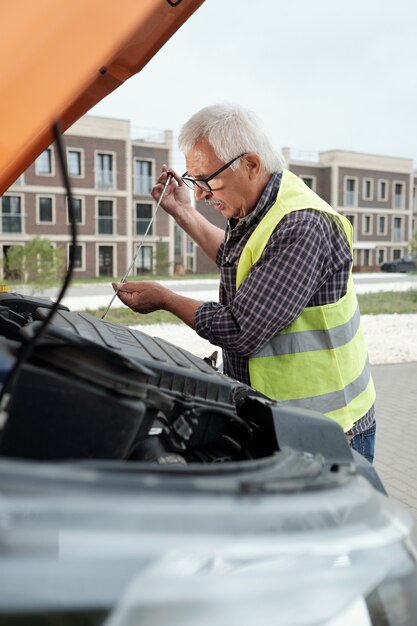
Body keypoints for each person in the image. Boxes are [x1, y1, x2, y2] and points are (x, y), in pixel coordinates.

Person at [114, 103, 376, 463]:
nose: (202, 193)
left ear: (251, 164)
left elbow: (240, 330)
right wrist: (184, 212)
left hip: (327, 431)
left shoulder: (300, 225)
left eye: (207, 179)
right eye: (194, 181)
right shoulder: (261, 205)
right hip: (280, 420)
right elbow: (235, 258)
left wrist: (164, 298)